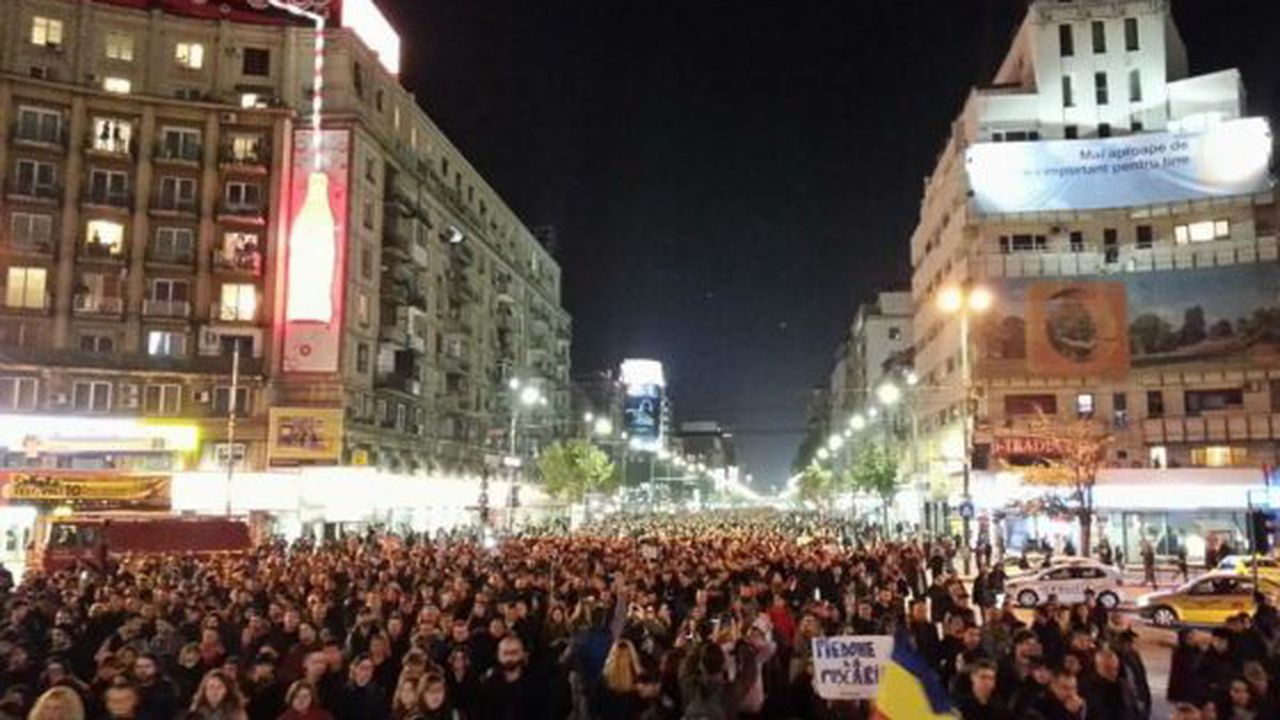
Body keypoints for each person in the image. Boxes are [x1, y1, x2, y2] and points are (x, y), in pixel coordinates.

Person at [476, 635, 546, 720]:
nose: (509, 658)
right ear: (498, 655)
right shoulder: (487, 685)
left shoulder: (537, 684)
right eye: (505, 653)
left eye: (514, 652)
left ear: (523, 654)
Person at [336, 655, 389, 720]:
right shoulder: (344, 691)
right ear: (355, 669)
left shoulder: (379, 692)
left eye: (370, 668)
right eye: (363, 667)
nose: (366, 671)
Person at [132, 653, 180, 720]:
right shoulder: (130, 687)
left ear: (157, 668)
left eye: (147, 666)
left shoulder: (166, 688)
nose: (142, 670)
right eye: (138, 667)